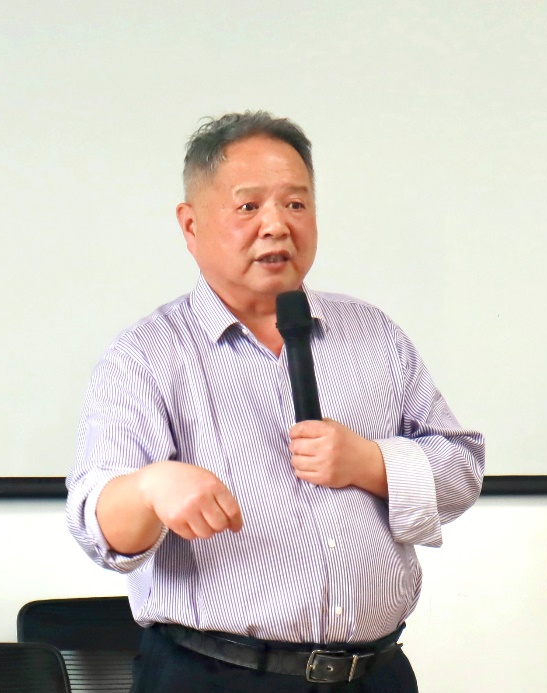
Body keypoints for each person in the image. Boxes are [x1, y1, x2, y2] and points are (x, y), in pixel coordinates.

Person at [66, 111, 485, 692]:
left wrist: (372, 462)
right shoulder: (146, 355)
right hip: (216, 678)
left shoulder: (373, 335)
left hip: (375, 675)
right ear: (190, 225)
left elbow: (463, 470)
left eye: (295, 204)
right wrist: (150, 488)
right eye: (248, 206)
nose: (277, 226)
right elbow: (97, 526)